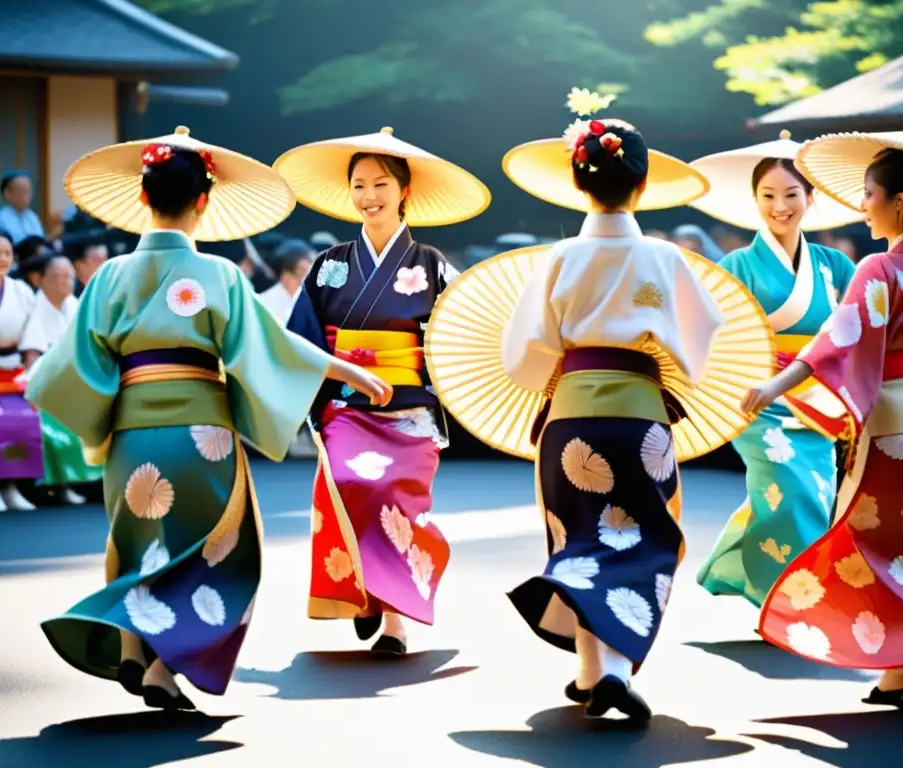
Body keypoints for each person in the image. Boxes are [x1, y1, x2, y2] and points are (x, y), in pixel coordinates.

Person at [25, 126, 392, 711]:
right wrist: (346, 373)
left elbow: (68, 366)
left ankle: (129, 643)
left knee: (138, 538)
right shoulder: (221, 276)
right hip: (202, 436)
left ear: (143, 198)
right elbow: (271, 348)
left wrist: (79, 406)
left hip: (129, 435)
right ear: (204, 201)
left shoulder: (109, 276)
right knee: (210, 547)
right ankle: (163, 669)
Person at [743, 125, 903, 710]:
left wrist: (775, 383)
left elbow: (837, 342)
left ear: (899, 202)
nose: (862, 206)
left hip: (892, 428)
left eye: (869, 193)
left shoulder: (877, 271)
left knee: (870, 544)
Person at [500, 92, 724, 722]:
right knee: (642, 535)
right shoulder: (663, 257)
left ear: (576, 181)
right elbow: (701, 340)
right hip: (640, 417)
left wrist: (562, 370)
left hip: (570, 416)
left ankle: (593, 670)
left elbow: (524, 353)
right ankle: (607, 669)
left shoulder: (560, 257)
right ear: (645, 183)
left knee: (580, 536)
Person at [276, 127, 490, 657]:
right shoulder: (329, 266)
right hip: (349, 407)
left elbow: (466, 331)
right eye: (359, 186)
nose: (369, 196)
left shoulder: (433, 265)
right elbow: (299, 340)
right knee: (350, 483)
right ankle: (365, 594)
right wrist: (342, 374)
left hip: (411, 409)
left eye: (380, 185)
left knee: (399, 503)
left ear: (404, 191)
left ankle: (396, 622)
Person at [687, 134, 860, 613]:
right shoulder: (736, 265)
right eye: (768, 196)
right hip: (758, 400)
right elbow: (712, 334)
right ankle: (793, 606)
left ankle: (764, 581)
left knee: (812, 493)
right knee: (792, 490)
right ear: (754, 201)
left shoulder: (835, 266)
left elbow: (853, 333)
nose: (779, 206)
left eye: (790, 195)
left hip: (820, 402)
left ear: (811, 198)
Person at [22, 255, 100, 504]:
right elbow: (32, 359)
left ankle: (93, 483)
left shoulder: (74, 305)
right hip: (45, 382)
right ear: (41, 280)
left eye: (69, 277)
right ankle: (62, 483)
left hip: (74, 379)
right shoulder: (35, 308)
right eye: (58, 277)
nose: (65, 282)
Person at [0, 229, 41, 511]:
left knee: (22, 416)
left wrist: (31, 370)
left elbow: (33, 333)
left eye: (8, 253)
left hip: (13, 372)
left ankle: (12, 486)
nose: (3, 258)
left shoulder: (22, 291)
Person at [257, 239, 315, 324]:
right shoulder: (265, 300)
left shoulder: (311, 298)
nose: (310, 266)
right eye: (308, 261)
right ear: (298, 263)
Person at [0, 172, 45, 244]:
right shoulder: (0, 218)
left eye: (29, 191)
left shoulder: (32, 216)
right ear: (7, 194)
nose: (28, 195)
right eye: (23, 191)